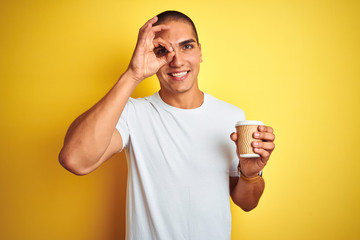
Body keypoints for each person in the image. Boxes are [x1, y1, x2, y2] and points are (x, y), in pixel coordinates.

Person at [59, 10, 275, 240]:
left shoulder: (231, 116)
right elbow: (75, 160)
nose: (177, 61)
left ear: (200, 51)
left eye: (187, 46)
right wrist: (133, 74)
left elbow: (247, 203)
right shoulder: (133, 113)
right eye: (162, 51)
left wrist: (250, 175)